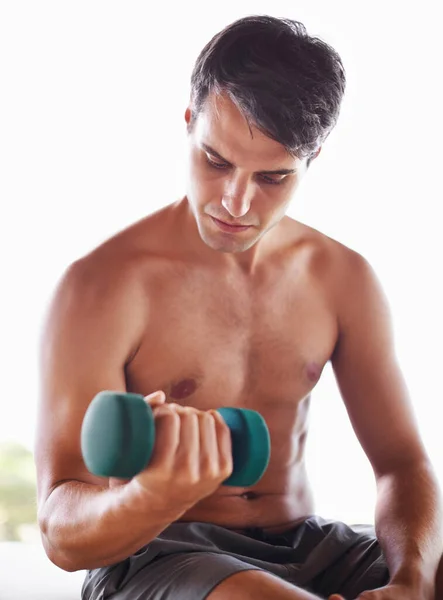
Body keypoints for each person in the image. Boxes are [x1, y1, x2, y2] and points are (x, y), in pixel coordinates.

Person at [34, 14, 443, 600]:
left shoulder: (341, 277)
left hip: (311, 542)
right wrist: (148, 497)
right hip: (160, 553)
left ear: (313, 159)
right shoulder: (100, 287)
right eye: (217, 161)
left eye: (273, 177)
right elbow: (61, 535)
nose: (236, 202)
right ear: (188, 123)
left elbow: (402, 463)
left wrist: (412, 581)